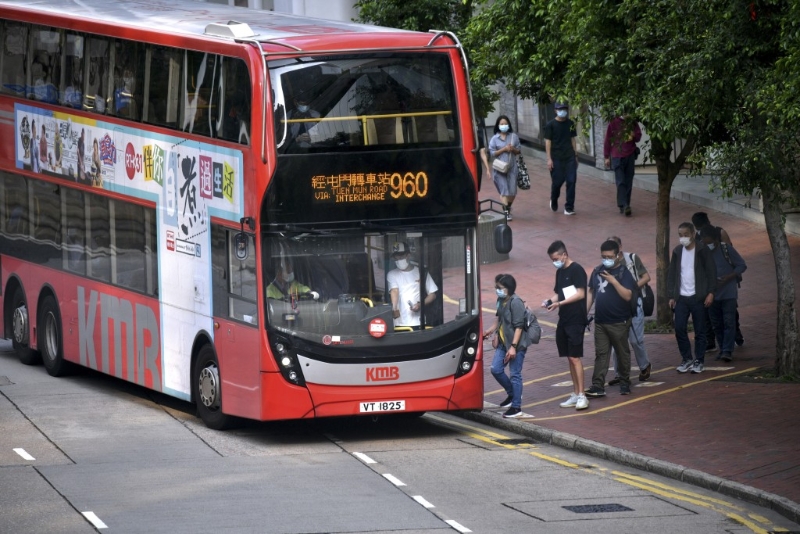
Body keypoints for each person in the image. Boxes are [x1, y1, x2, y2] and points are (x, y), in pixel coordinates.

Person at [584, 239, 637, 397]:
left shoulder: (623, 273)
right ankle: (598, 385)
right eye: (603, 256)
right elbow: (591, 292)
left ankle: (624, 382)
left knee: (622, 353)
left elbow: (628, 295)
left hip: (619, 322)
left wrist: (613, 281)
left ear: (617, 256)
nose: (606, 259)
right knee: (601, 354)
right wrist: (584, 313)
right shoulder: (597, 270)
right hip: (601, 321)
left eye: (609, 256)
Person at [544, 240, 589, 410]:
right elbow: (559, 294)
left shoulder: (577, 270)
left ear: (564, 254)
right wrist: (550, 301)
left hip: (576, 319)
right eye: (552, 259)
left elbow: (580, 294)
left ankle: (582, 395)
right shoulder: (560, 272)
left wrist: (560, 304)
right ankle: (576, 393)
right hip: (564, 319)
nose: (554, 262)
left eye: (556, 258)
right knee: (570, 357)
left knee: (575, 357)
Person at [667, 222, 717, 374]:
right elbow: (672, 275)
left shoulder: (702, 251)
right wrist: (671, 295)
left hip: (698, 297)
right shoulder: (677, 251)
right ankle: (687, 358)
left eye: (686, 235)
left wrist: (711, 292)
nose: (683, 238)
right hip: (681, 298)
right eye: (680, 235)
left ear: (693, 234)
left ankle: (699, 360)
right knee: (679, 328)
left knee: (700, 330)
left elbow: (711, 272)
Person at [692, 211, 744, 348]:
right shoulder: (698, 237)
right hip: (710, 286)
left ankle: (735, 335)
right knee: (710, 315)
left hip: (726, 284)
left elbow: (731, 255)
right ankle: (714, 341)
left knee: (730, 314)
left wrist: (730, 275)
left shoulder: (720, 233)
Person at [482, 274, 529, 418]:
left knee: (515, 374)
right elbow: (499, 319)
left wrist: (513, 347)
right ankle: (512, 394)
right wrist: (491, 332)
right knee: (496, 369)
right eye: (496, 287)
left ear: (508, 289)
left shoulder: (516, 302)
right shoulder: (501, 300)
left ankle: (516, 407)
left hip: (515, 344)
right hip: (503, 342)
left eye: (500, 288)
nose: (497, 290)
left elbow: (519, 327)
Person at [607, 236, 652, 384]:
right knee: (617, 342)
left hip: (634, 304)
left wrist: (632, 288)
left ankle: (644, 366)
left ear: (620, 247)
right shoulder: (608, 264)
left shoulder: (632, 258)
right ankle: (620, 374)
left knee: (635, 340)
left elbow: (646, 277)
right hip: (617, 307)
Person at [700, 226, 747, 362]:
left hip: (728, 293)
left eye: (708, 241)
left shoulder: (726, 249)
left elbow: (741, 265)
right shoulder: (702, 253)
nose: (706, 244)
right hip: (711, 295)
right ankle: (722, 348)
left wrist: (729, 277)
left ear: (715, 240)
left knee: (729, 321)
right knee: (716, 323)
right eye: (704, 241)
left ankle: (727, 350)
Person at [387, 242, 438, 328]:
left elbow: (432, 294)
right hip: (399, 323)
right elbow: (394, 290)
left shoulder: (421, 272)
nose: (398, 260)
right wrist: (394, 309)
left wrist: (420, 304)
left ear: (408, 256)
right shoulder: (392, 274)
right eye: (396, 258)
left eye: (401, 257)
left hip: (418, 322)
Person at [604, 115, 642, 216]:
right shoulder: (613, 122)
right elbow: (608, 139)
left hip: (630, 154)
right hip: (617, 155)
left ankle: (625, 204)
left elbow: (638, 137)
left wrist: (633, 134)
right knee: (620, 181)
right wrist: (606, 156)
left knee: (628, 180)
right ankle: (624, 205)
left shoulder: (632, 122)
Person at [545, 102, 578, 215]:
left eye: (564, 109)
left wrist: (576, 155)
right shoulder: (551, 125)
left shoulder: (570, 123)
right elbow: (548, 142)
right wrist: (549, 159)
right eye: (560, 109)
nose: (562, 111)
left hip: (569, 156)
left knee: (571, 181)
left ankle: (569, 207)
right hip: (556, 157)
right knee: (557, 182)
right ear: (555, 110)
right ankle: (554, 198)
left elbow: (573, 139)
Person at [488, 115, 521, 220]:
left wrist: (512, 149)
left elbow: (519, 150)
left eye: (505, 124)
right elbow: (492, 153)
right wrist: (504, 149)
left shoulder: (513, 137)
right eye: (501, 124)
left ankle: (508, 207)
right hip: (499, 168)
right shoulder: (494, 138)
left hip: (512, 167)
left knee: (512, 191)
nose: (504, 126)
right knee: (504, 190)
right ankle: (506, 212)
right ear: (498, 125)